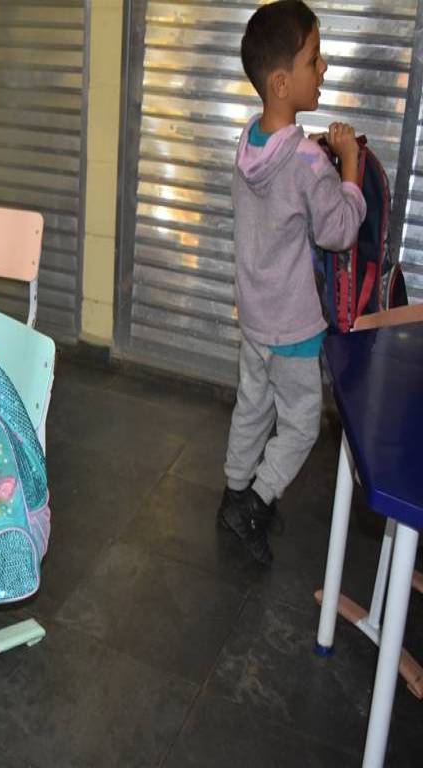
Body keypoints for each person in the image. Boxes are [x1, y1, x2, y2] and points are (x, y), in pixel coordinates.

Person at [218, 0, 366, 565]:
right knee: (302, 424)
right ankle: (255, 503)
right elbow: (339, 231)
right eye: (314, 58)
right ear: (282, 83)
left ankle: (233, 492)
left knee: (253, 407)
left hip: (256, 317)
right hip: (295, 326)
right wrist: (349, 168)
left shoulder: (248, 143)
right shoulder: (308, 162)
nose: (323, 67)